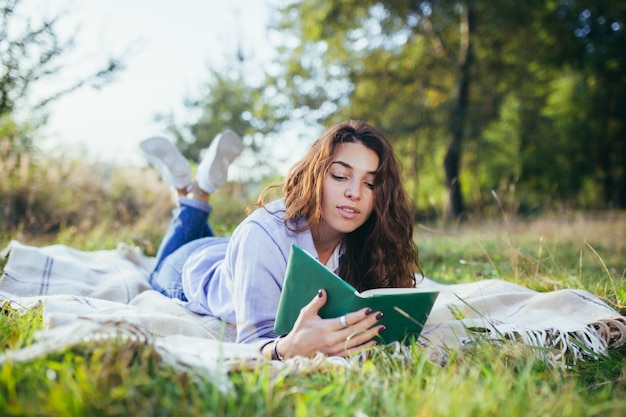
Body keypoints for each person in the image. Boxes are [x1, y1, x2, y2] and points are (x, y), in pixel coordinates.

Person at [141, 120, 421, 361]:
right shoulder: (262, 234)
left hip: (237, 253)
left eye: (370, 183)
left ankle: (189, 187)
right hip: (190, 267)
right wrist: (287, 347)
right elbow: (254, 344)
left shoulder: (365, 237)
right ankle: (195, 193)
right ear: (316, 176)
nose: (354, 192)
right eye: (340, 175)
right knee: (157, 269)